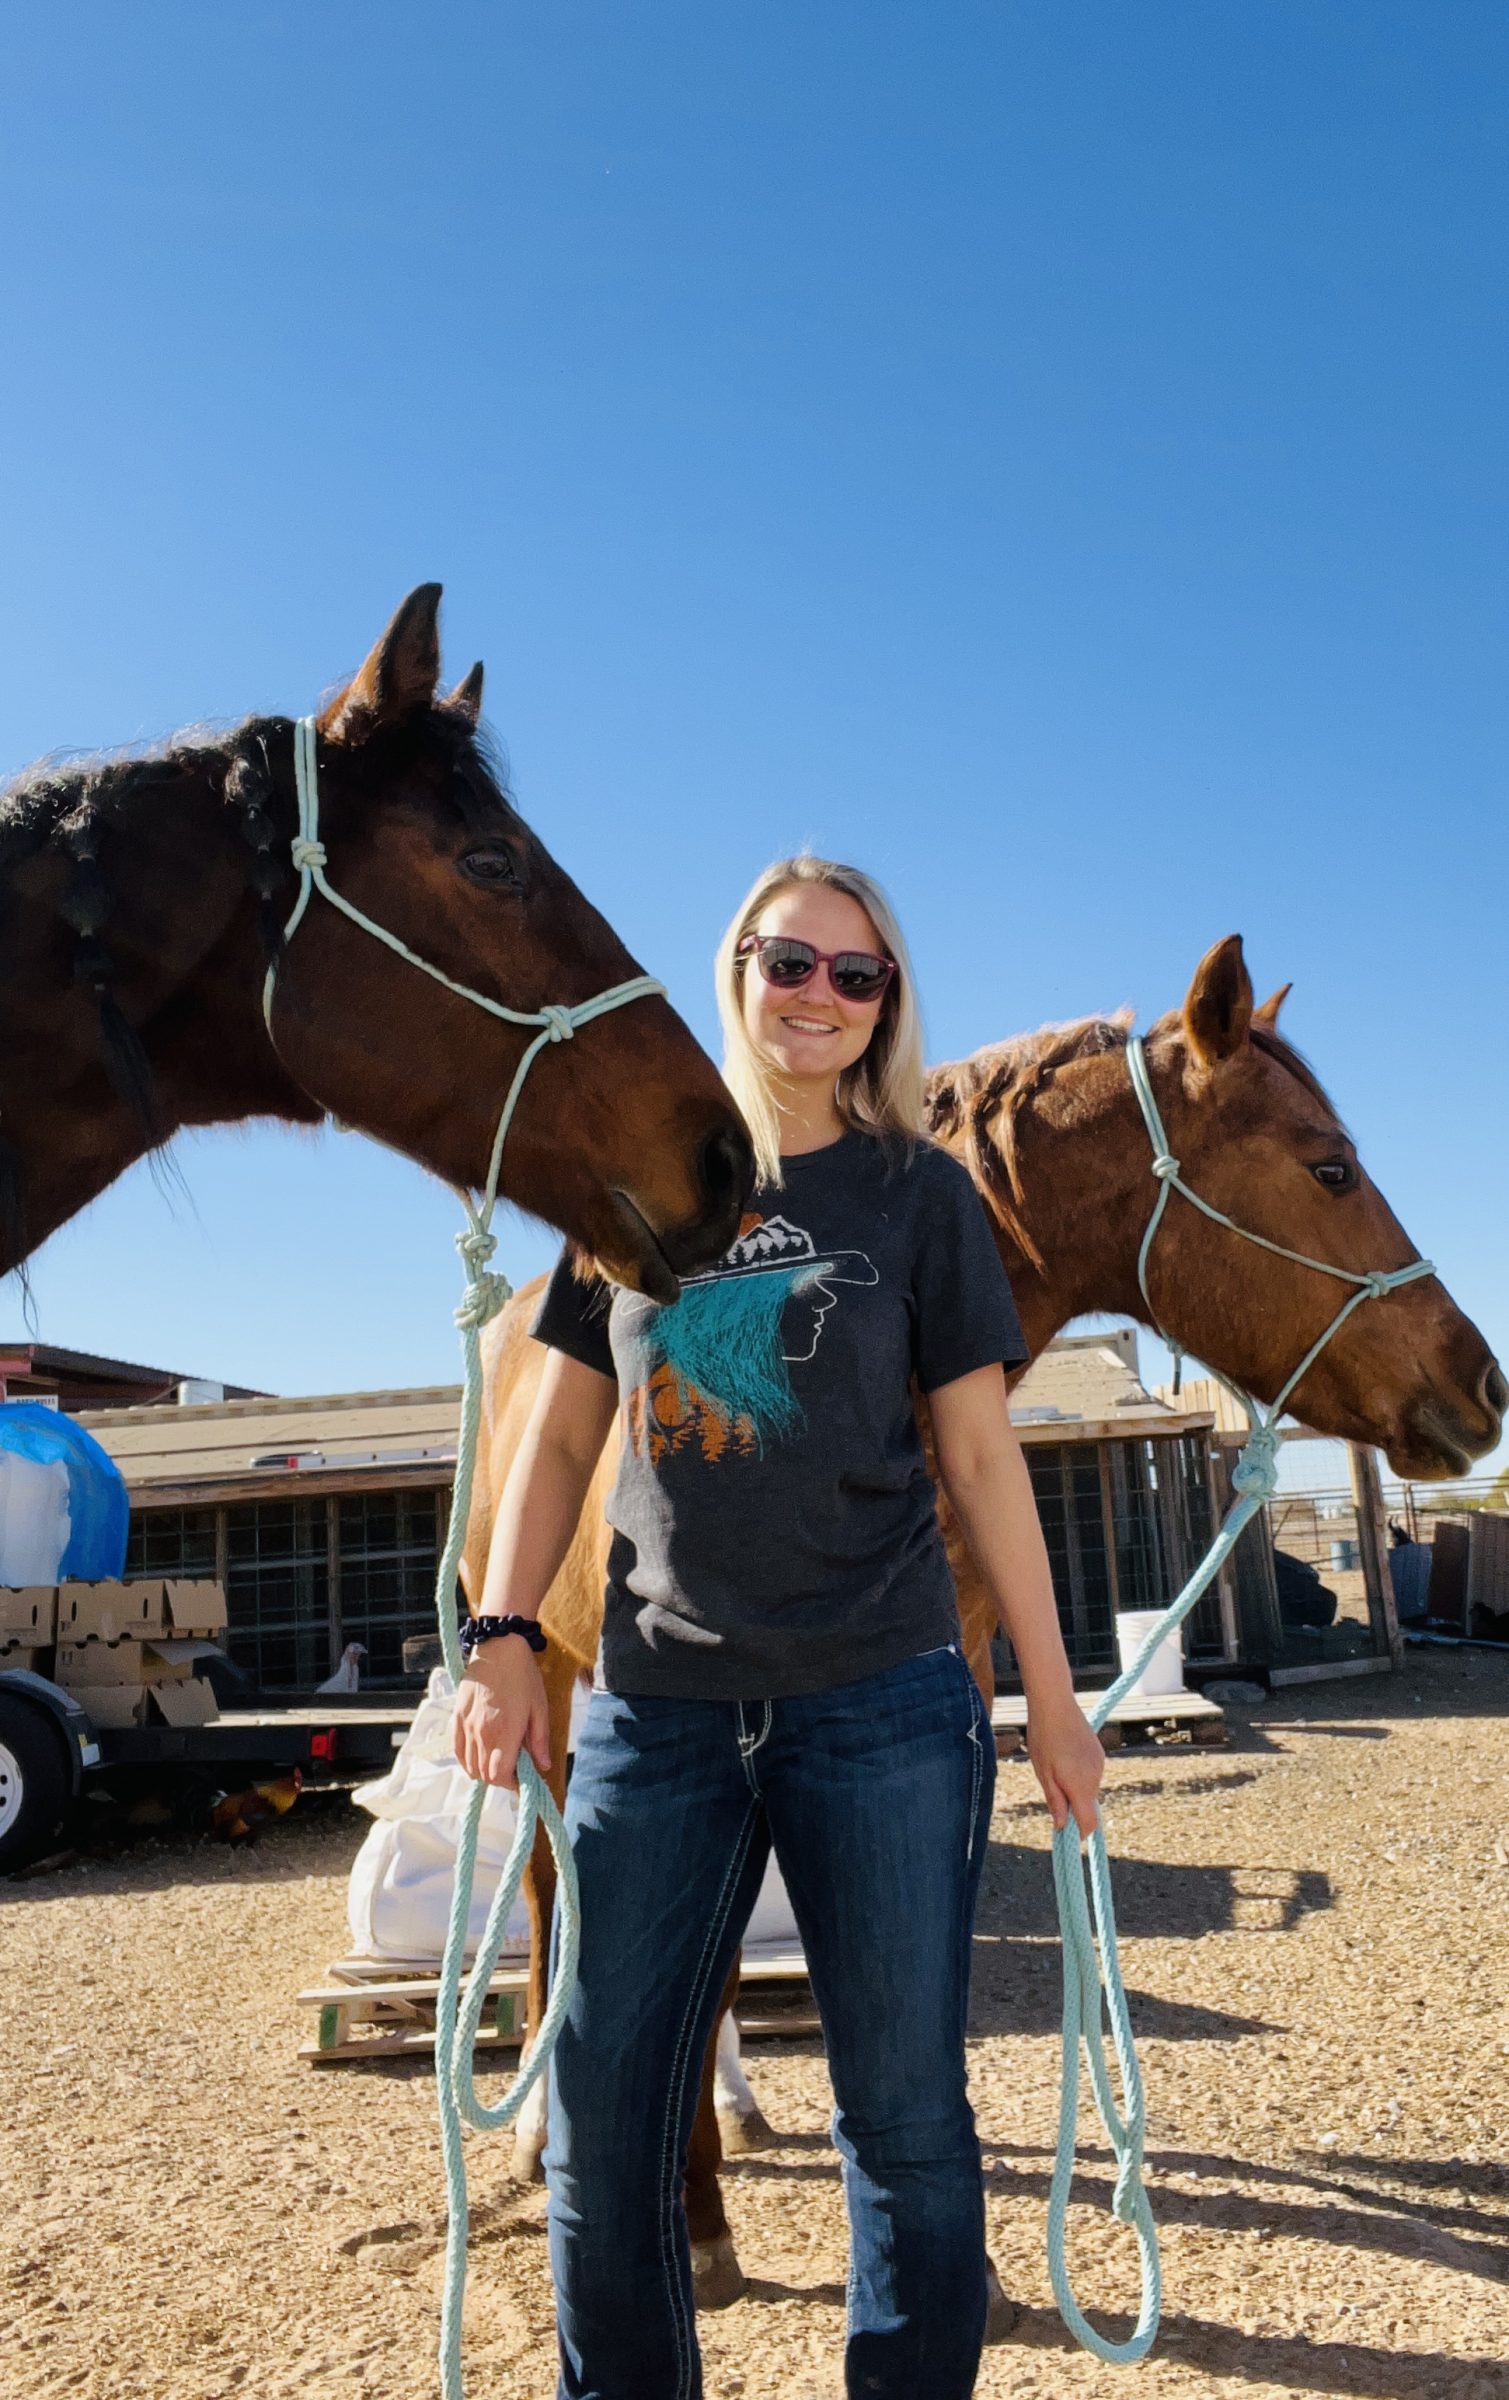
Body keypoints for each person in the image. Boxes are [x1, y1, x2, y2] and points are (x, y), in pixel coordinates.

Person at [454, 855, 1104, 2400]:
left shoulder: (918, 1198)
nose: (817, 996)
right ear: (735, 970)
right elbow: (551, 1441)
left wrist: (1057, 1702)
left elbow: (978, 1455)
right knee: (610, 2127)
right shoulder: (628, 1181)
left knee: (905, 2124)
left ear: (885, 1007)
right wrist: (493, 1629)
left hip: (880, 1705)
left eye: (854, 975)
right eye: (787, 961)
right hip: (654, 1715)